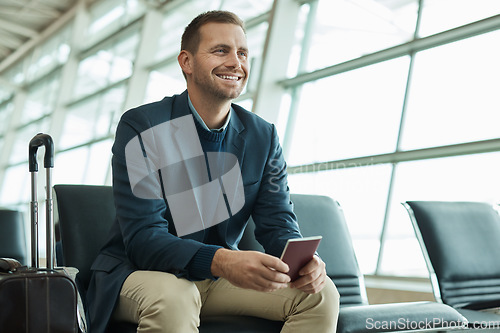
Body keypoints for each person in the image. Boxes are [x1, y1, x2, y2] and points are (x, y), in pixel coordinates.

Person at [86, 10, 339, 332]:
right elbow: (144, 238)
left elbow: (278, 222)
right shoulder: (143, 125)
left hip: (216, 276)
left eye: (242, 52)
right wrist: (223, 260)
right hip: (140, 272)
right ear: (186, 62)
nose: (236, 62)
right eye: (221, 50)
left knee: (320, 294)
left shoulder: (263, 135)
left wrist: (304, 264)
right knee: (175, 296)